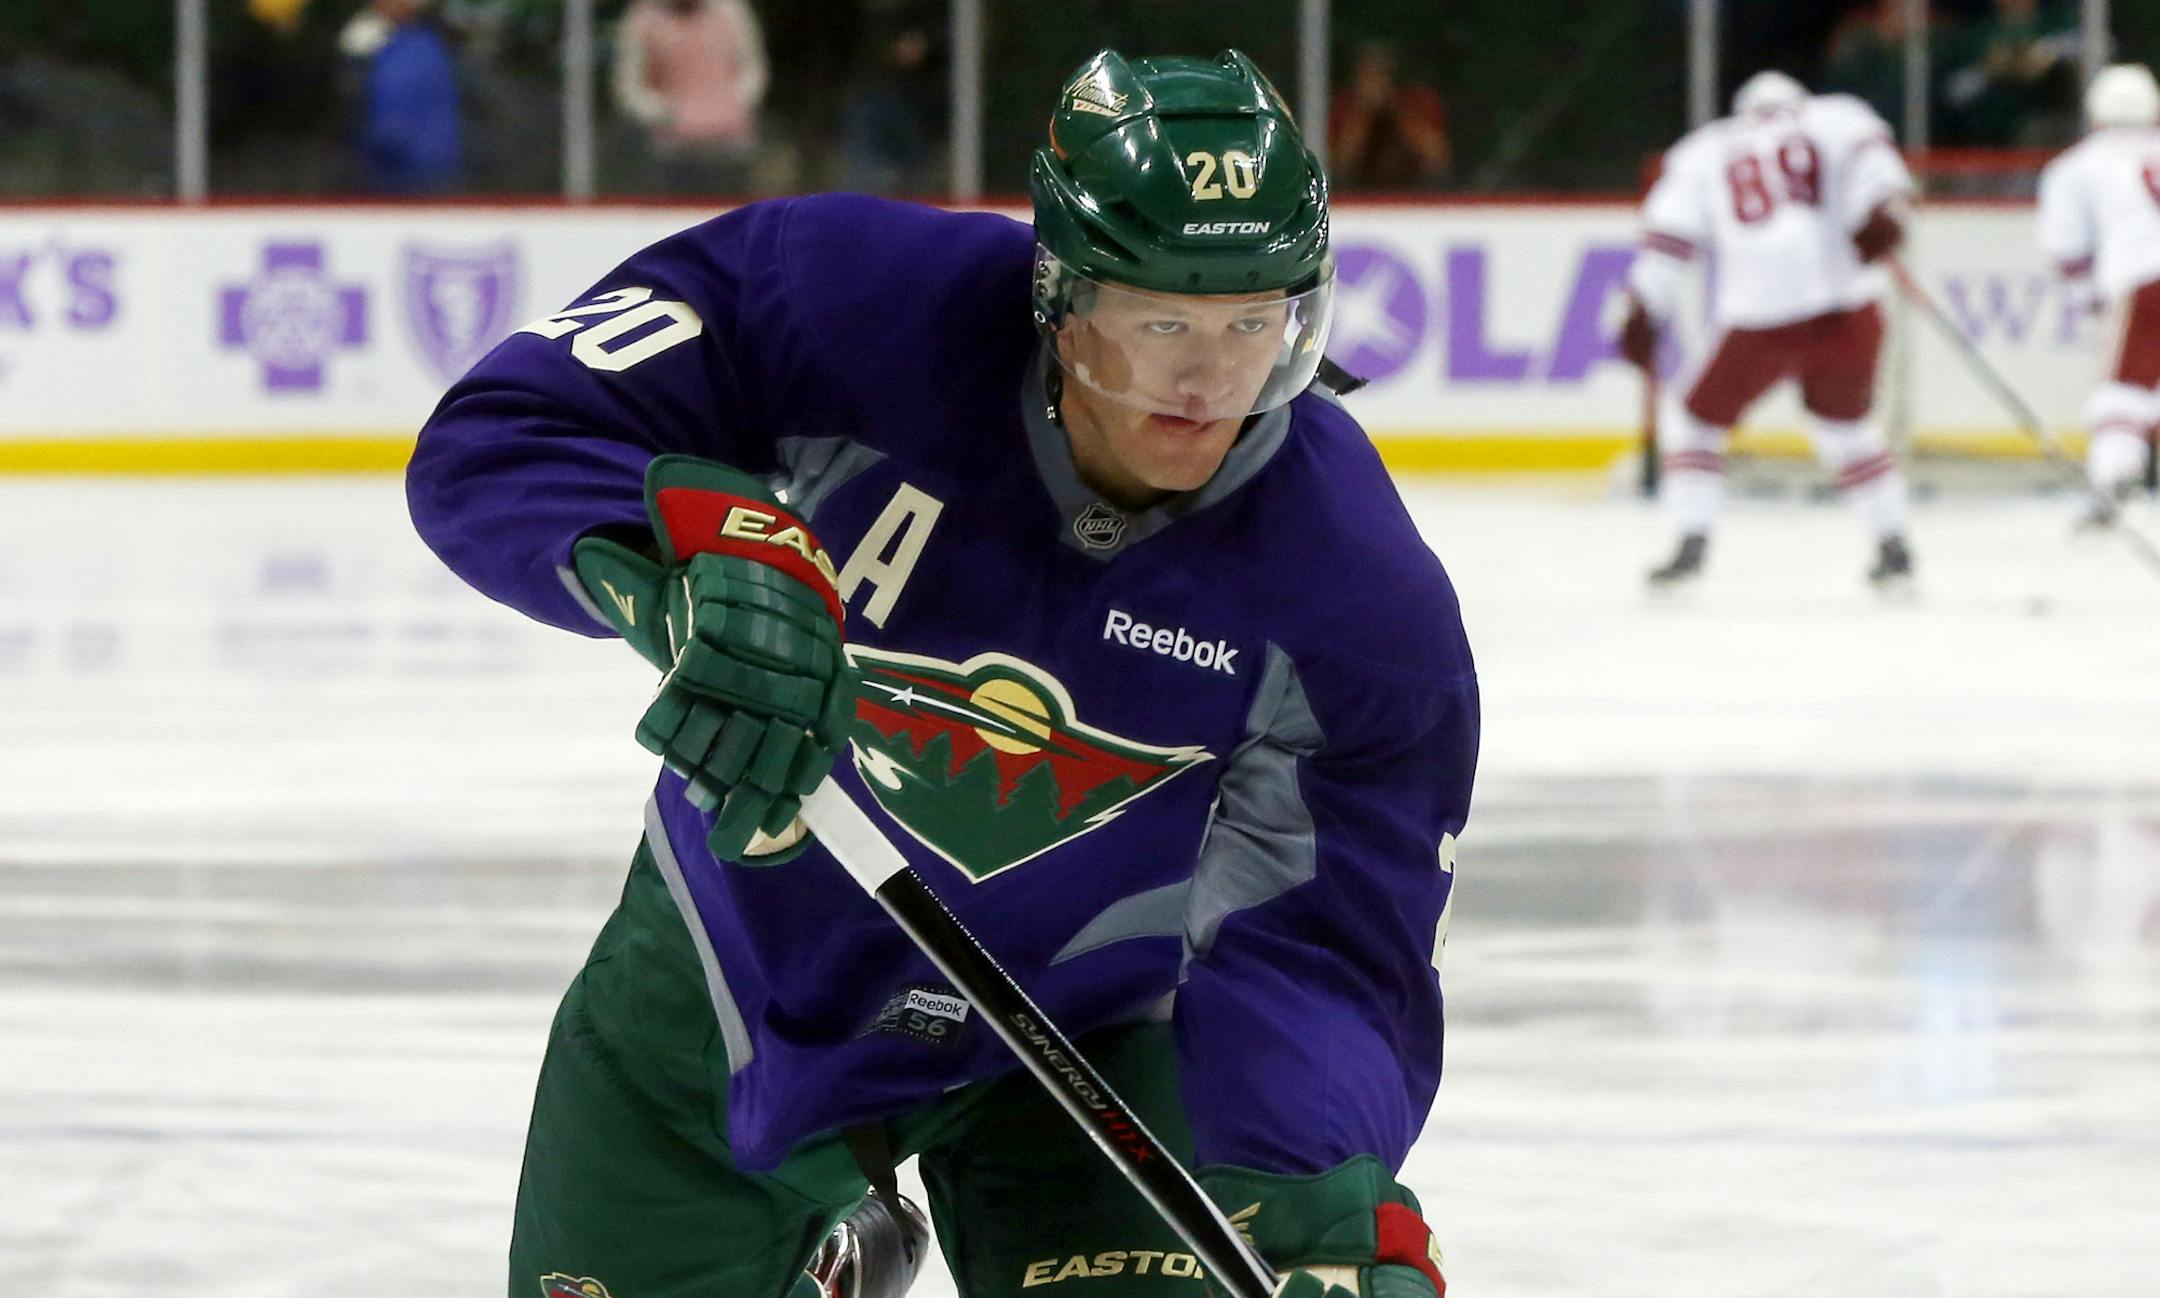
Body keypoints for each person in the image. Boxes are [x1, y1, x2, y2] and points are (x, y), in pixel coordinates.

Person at [407, 47, 1476, 1298]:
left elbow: (1329, 949)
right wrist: (669, 563)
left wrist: (1313, 1201)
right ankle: (834, 1252)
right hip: (739, 968)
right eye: (1160, 323)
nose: (1207, 384)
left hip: (1093, 1041)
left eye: (1253, 324)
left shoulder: (1358, 592)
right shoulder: (850, 301)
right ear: (1062, 298)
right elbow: (508, 430)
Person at [1620, 70, 1919, 591]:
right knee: (1847, 427)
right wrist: (1885, 217)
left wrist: (1645, 306)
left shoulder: (1703, 149)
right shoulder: (1838, 115)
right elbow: (1881, 173)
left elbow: (1669, 238)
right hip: (1848, 300)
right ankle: (1893, 544)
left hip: (1762, 309)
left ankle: (1691, 541)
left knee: (1693, 424)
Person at [2036, 63, 2160, 522]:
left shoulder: (2077, 165)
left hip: (2144, 280)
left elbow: (2065, 250)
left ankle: (2113, 488)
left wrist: (2091, 294)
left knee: (2120, 393)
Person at [611, 0, 769, 195]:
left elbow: (753, 71)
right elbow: (630, 87)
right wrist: (665, 114)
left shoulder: (731, 10)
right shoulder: (644, 18)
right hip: (673, 152)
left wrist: (733, 104)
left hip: (730, 146)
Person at [347, 0, 462, 194]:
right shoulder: (374, 44)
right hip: (388, 174)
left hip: (423, 177)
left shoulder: (426, 48)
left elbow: (391, 126)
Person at [1327, 41, 1451, 190]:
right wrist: (1362, 113)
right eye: (1368, 74)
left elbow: (1437, 159)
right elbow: (1339, 167)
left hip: (1416, 194)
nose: (1375, 83)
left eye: (1381, 74)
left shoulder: (1418, 101)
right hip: (1359, 195)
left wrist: (1396, 109)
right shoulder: (1344, 107)